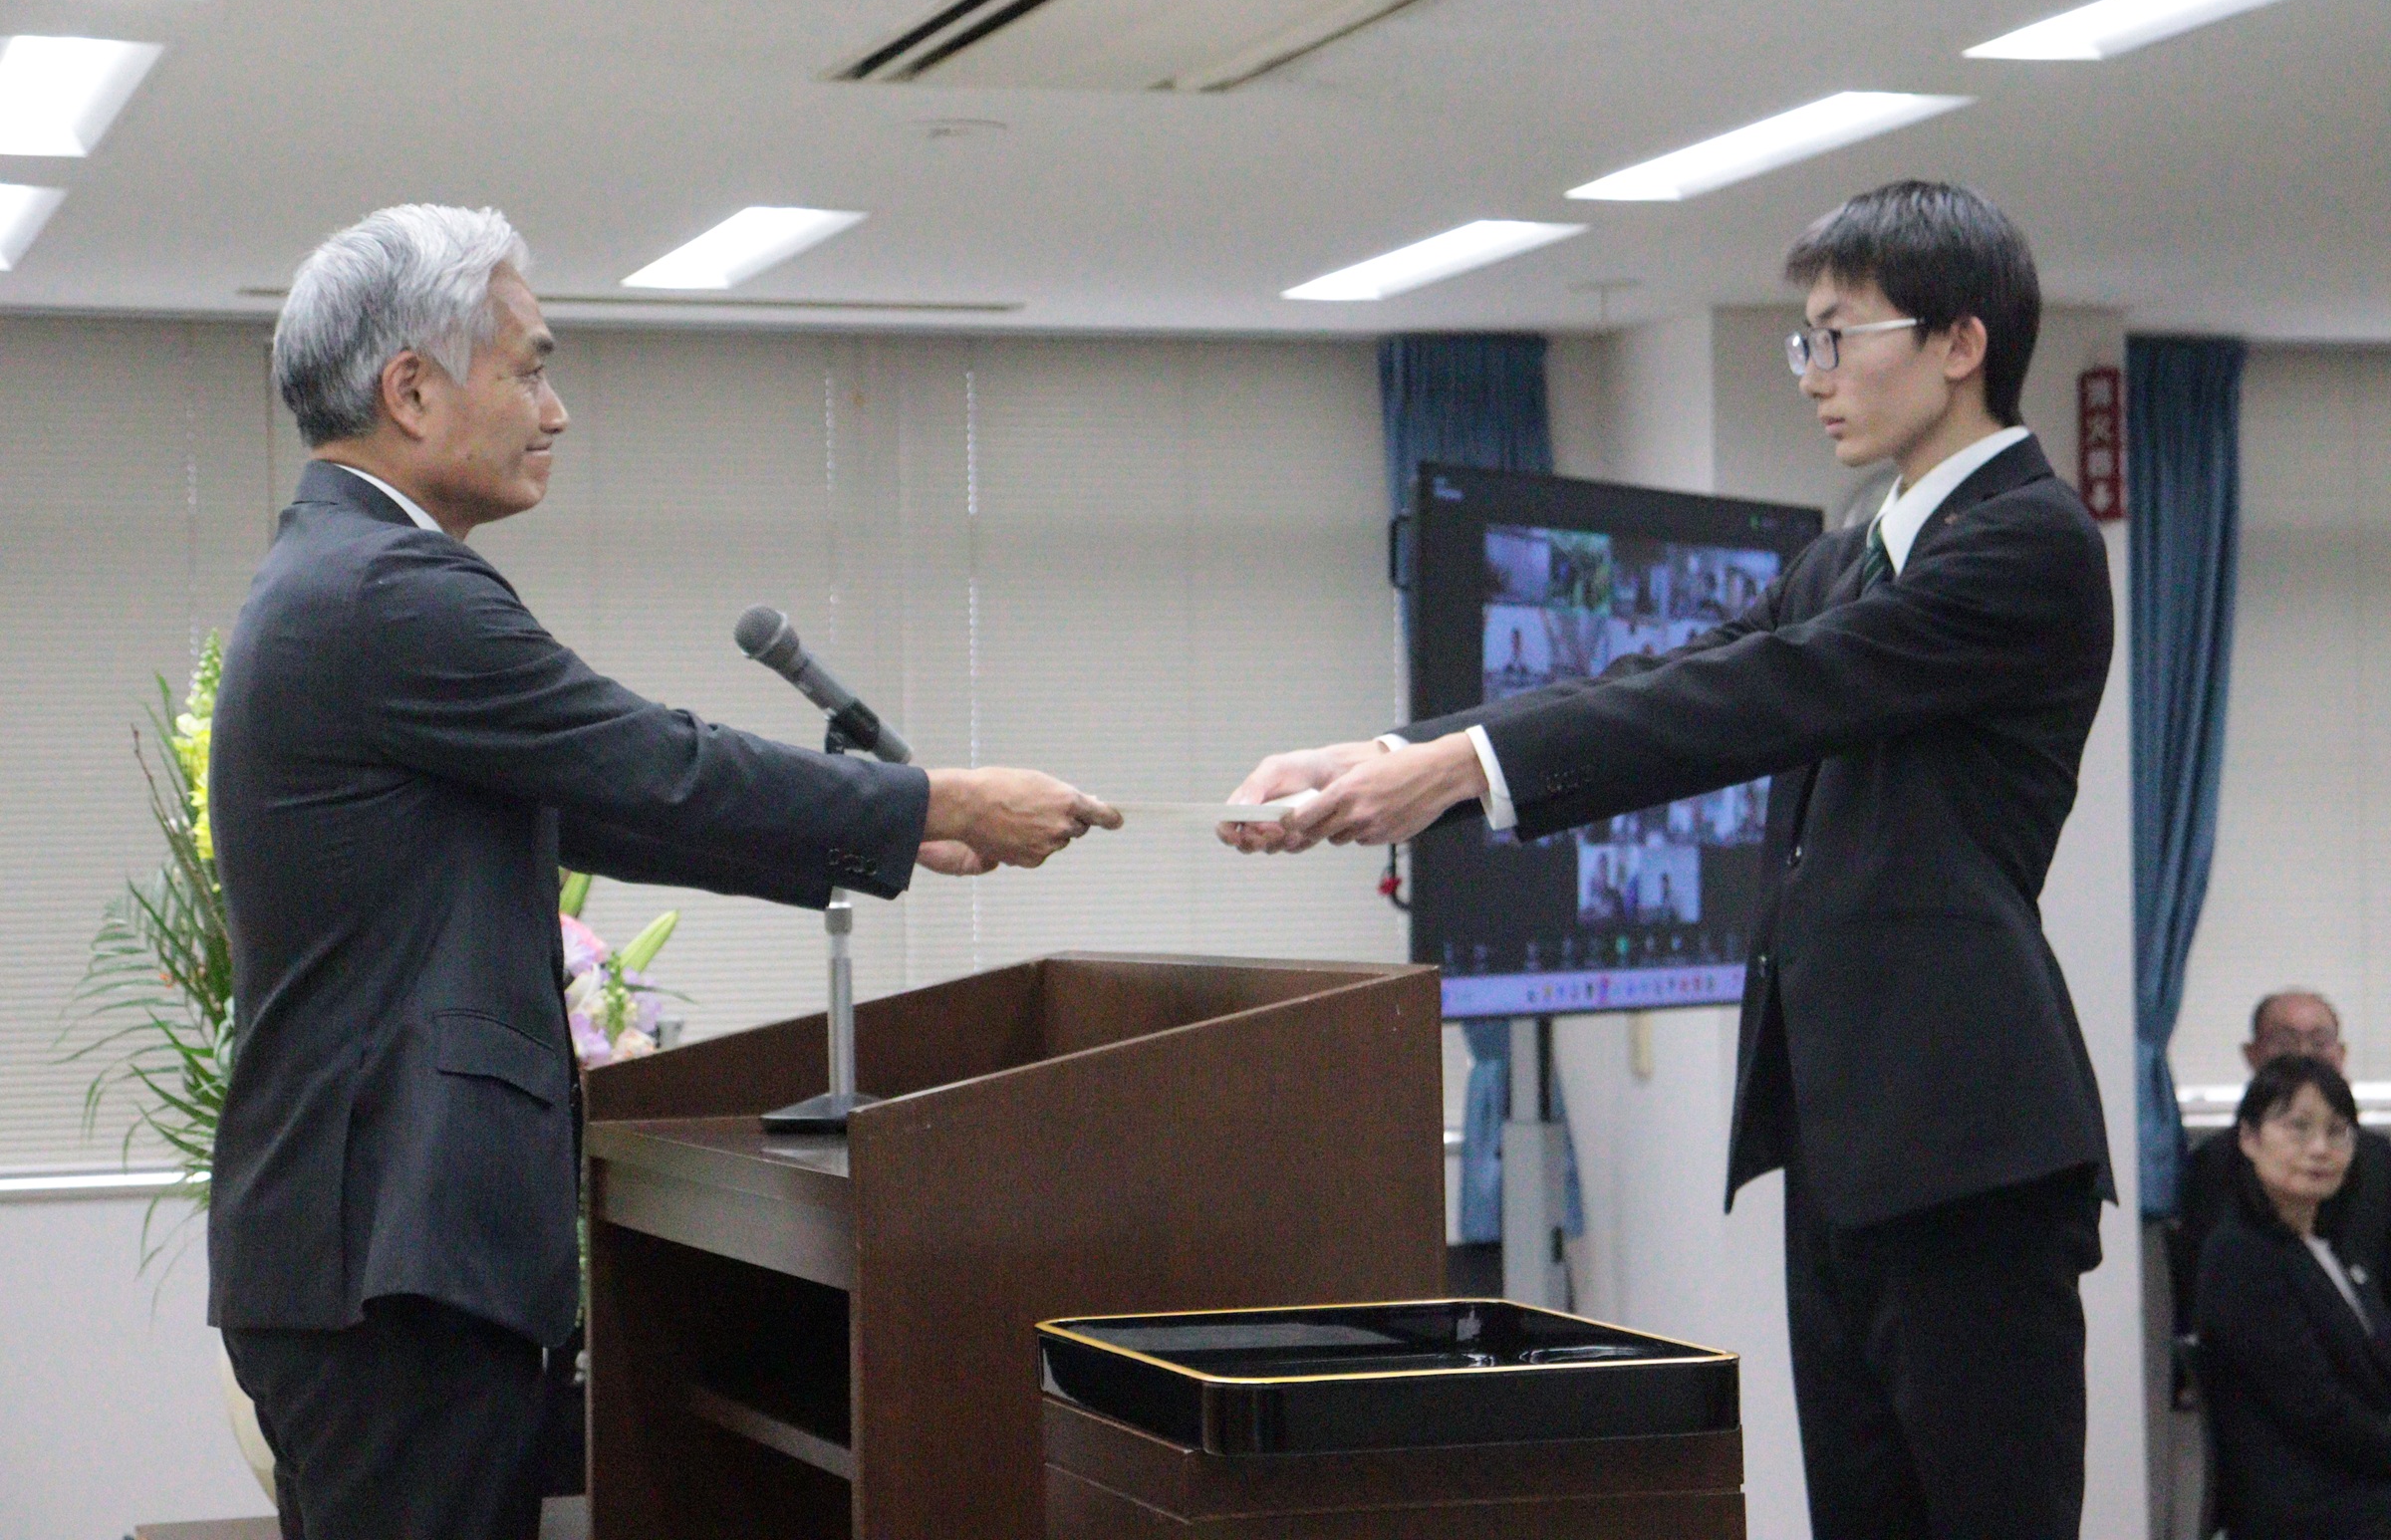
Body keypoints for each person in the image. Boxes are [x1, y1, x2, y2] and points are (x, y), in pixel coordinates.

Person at [207, 204, 1121, 1540]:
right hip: (390, 1262)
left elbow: (599, 804)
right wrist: (935, 795)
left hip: (366, 1255)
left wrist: (887, 832)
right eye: (529, 369)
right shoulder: (391, 589)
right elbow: (650, 761)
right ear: (411, 390)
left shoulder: (343, 573)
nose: (556, 410)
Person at [1223, 181, 2112, 1539]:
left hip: (1972, 1140)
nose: (1812, 373)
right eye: (1804, 340)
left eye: (1839, 335)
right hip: (1847, 1137)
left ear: (1959, 342)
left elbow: (1755, 698)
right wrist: (1391, 752)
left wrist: (1456, 771)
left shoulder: (2028, 543)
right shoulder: (1847, 560)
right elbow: (1664, 675)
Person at [2197, 1055, 2391, 1539]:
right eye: (2298, 1128)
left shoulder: (2335, 1249)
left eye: (2338, 1131)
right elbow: (2318, 1411)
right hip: (2307, 1504)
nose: (2320, 1149)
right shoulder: (2240, 1255)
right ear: (2248, 1138)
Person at [2175, 990, 2391, 1365]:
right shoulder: (2215, 1178)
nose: (2319, 1149)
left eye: (2319, 1040)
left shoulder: (2378, 1160)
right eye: (2284, 1040)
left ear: (2341, 1053)